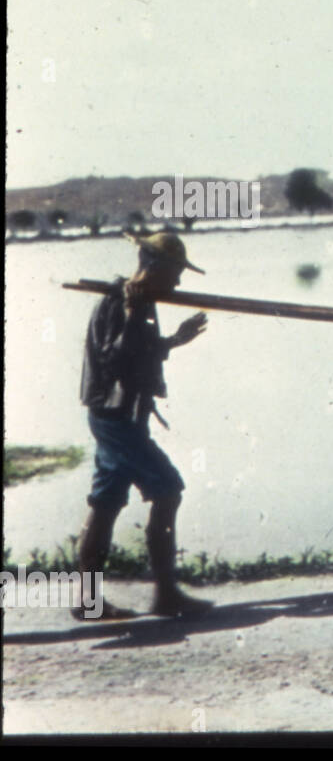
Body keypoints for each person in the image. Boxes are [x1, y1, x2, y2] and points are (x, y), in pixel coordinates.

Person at [73, 231, 213, 618]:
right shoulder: (120, 303)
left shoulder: (141, 301)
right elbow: (113, 362)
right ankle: (165, 595)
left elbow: (139, 353)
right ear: (153, 268)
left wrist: (173, 341)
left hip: (121, 418)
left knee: (106, 503)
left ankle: (88, 602)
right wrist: (134, 315)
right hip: (117, 419)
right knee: (167, 490)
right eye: (174, 273)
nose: (178, 283)